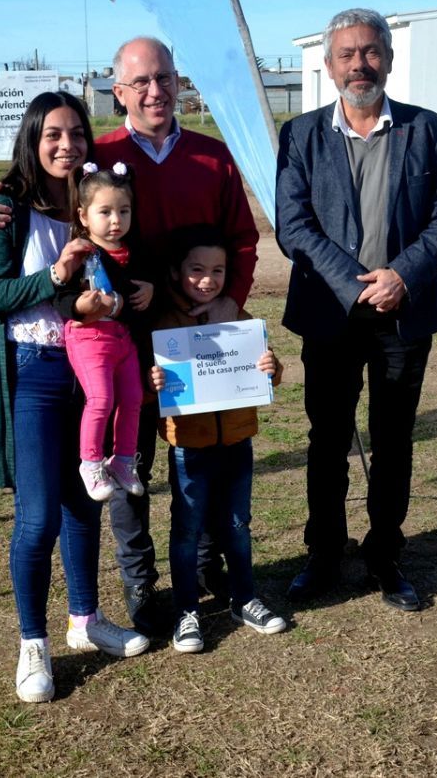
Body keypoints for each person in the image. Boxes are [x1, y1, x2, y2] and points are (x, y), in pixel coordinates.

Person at [0, 37, 259, 637]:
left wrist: (231, 302)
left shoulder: (212, 156)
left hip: (195, 337)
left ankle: (205, 571)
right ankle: (140, 588)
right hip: (114, 341)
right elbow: (32, 194)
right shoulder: (98, 159)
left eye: (166, 78)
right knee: (128, 467)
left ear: (180, 83)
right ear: (117, 91)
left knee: (199, 457)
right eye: (141, 81)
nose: (156, 91)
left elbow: (243, 241)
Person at [275, 8, 437, 611]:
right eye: (347, 54)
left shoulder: (427, 129)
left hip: (403, 313)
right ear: (329, 66)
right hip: (331, 316)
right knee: (327, 439)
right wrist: (352, 283)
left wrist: (402, 274)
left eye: (371, 52)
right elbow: (294, 226)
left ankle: (385, 556)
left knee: (394, 440)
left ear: (388, 56)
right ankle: (323, 555)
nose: (361, 64)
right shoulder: (301, 135)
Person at [0, 91, 148, 704]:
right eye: (53, 133)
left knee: (86, 501)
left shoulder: (86, 202)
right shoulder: (0, 206)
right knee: (40, 515)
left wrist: (130, 289)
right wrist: (54, 276)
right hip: (35, 368)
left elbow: (113, 269)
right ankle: (32, 644)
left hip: (88, 364)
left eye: (76, 133)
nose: (66, 144)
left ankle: (84, 619)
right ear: (32, 137)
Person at [148, 226, 286, 653]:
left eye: (218, 270)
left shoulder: (239, 318)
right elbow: (151, 388)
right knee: (187, 529)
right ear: (176, 272)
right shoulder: (164, 324)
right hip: (189, 446)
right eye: (197, 270)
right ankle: (187, 610)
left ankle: (244, 598)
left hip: (238, 441)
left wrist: (271, 367)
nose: (207, 280)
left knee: (238, 525)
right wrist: (152, 381)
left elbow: (267, 373)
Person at [57, 161, 154, 501]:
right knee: (101, 399)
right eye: (106, 212)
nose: (116, 220)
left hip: (124, 341)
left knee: (133, 399)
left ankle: (124, 461)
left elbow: (143, 290)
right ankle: (91, 462)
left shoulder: (136, 251)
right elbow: (62, 298)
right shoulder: (81, 252)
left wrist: (152, 290)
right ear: (83, 216)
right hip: (89, 339)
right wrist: (80, 305)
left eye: (124, 211)